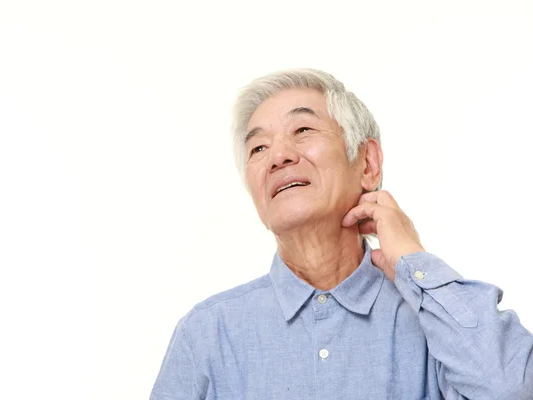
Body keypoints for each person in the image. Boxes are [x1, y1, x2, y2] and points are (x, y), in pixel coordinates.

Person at [150, 69, 533, 399]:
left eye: (302, 130)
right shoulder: (206, 334)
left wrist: (413, 261)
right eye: (258, 147)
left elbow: (514, 390)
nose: (278, 156)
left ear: (367, 163)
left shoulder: (437, 322)